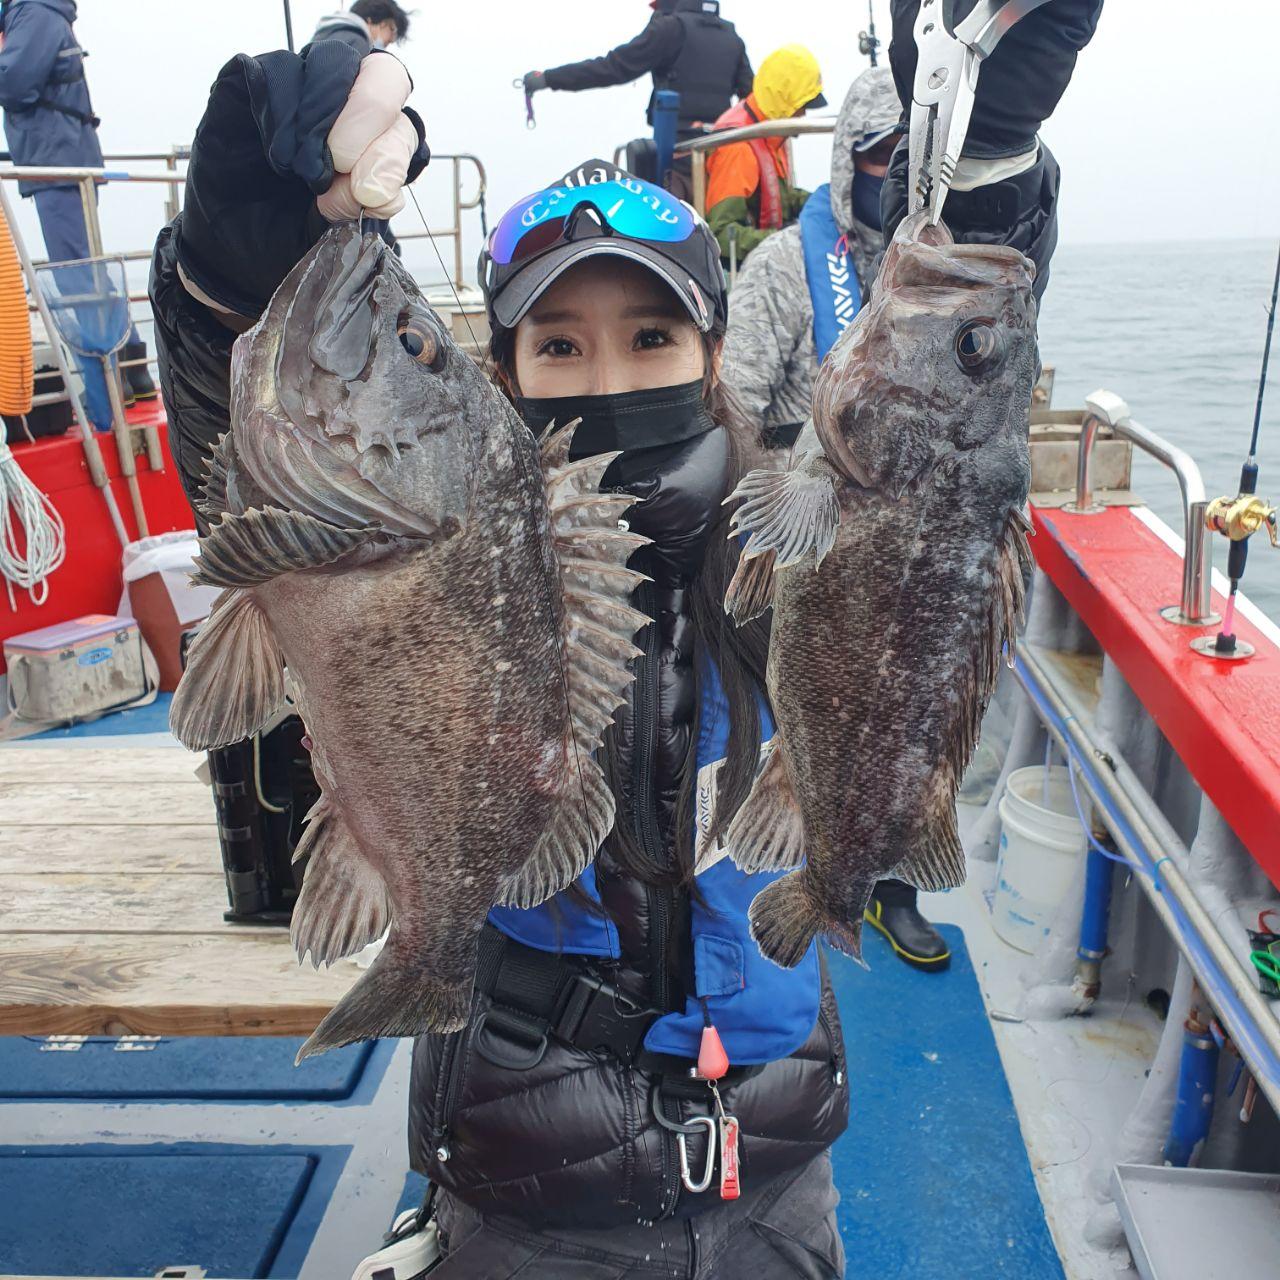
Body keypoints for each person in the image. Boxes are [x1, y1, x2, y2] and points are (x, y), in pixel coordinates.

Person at [150, 3, 1100, 1272]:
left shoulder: (780, 529)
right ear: (498, 378)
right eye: (557, 344)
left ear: (713, 352)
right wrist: (229, 273)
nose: (609, 377)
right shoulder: (449, 525)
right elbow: (265, 452)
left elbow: (934, 472)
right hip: (517, 1164)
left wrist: (985, 170)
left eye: (650, 336)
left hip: (774, 1156)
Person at [722, 66, 950, 969]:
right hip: (805, 532)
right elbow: (731, 396)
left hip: (909, 552)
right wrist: (777, 500)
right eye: (879, 157)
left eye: (911, 164)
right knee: (799, 719)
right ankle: (774, 866)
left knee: (915, 723)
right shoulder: (786, 264)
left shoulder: (941, 284)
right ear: (847, 161)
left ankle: (888, 889)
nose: (891, 179)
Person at [0, 0, 156, 426]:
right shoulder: (38, 12)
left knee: (75, 280)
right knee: (86, 273)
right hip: (60, 160)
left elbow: (14, 83)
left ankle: (106, 396)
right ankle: (134, 369)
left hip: (59, 165)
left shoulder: (34, 12)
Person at [521, 0, 752, 142]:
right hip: (723, 150)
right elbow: (751, 95)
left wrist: (549, 79)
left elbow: (613, 68)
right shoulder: (732, 37)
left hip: (678, 152)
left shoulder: (670, 28)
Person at [703, 43, 825, 266]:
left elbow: (780, 197)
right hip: (747, 272)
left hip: (770, 258)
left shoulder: (770, 133)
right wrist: (789, 240)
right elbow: (721, 234)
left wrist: (825, 202)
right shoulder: (739, 147)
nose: (804, 114)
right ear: (785, 100)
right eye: (803, 105)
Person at [311, 0, 411, 55]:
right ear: (370, 21)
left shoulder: (331, 35)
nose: (392, 39)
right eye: (392, 29)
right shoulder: (355, 42)